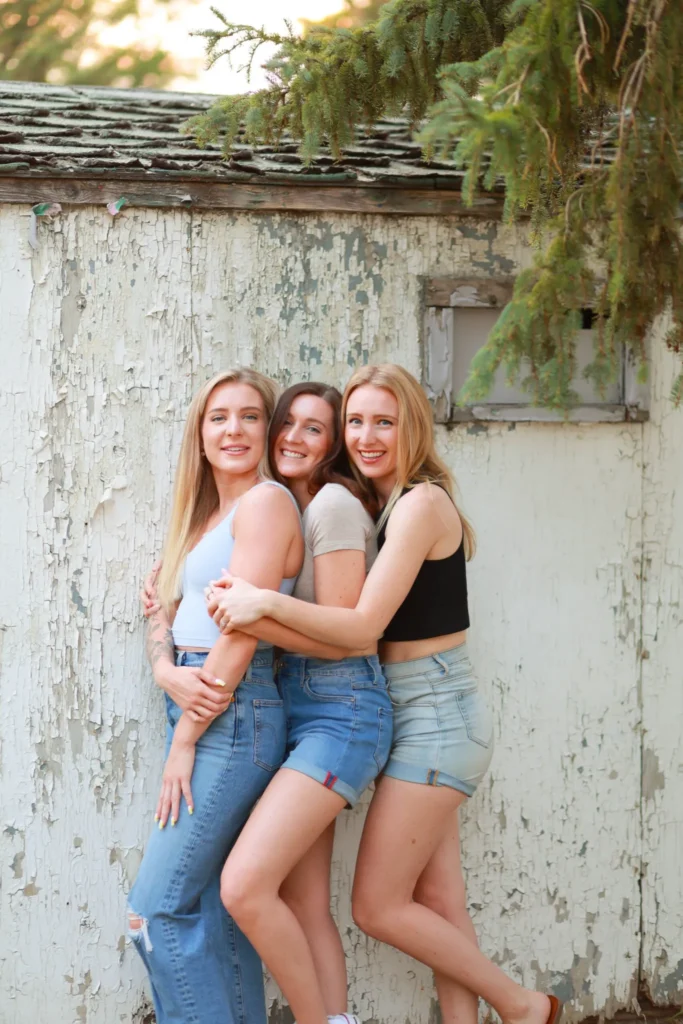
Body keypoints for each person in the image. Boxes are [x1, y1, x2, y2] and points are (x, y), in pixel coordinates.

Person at [209, 363, 563, 1024]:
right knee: (440, 903)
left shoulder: (421, 503)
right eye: (357, 423)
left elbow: (362, 628)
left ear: (412, 429)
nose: (367, 436)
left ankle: (522, 1005)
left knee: (376, 907)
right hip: (418, 715)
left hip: (436, 717)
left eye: (384, 422)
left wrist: (258, 604)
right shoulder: (378, 504)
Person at [129, 367, 319, 1024]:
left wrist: (184, 738)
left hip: (227, 713)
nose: (232, 429)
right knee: (208, 908)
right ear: (200, 434)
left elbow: (238, 634)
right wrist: (162, 669)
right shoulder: (203, 517)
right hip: (197, 698)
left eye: (247, 415)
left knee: (153, 910)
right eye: (218, 417)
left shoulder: (266, 503)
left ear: (266, 429)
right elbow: (162, 613)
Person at [198, 381, 392, 1024]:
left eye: (315, 429)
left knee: (245, 886)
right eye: (288, 423)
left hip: (340, 711)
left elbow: (341, 633)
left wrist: (252, 613)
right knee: (304, 902)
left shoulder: (333, 504)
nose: (292, 438)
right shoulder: (292, 509)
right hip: (302, 708)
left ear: (334, 445)